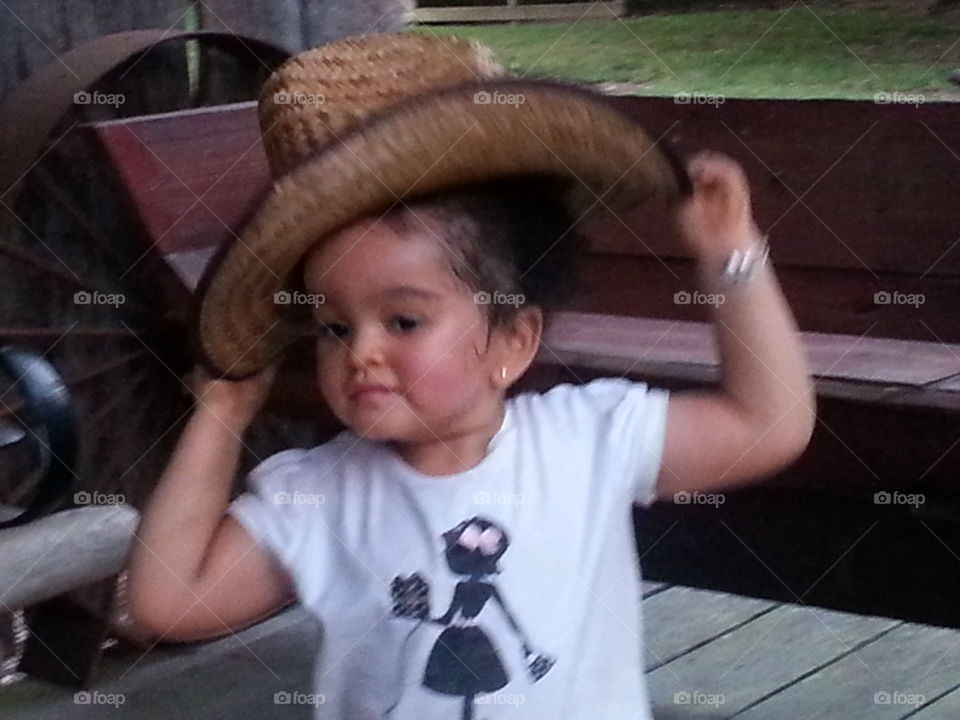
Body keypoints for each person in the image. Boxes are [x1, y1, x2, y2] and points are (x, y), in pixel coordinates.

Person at [126, 32, 815, 720]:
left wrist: (732, 263)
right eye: (336, 326)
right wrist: (222, 413)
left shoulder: (589, 441)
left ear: (512, 340)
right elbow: (169, 602)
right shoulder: (321, 498)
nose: (360, 351)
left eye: (403, 322)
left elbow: (768, 425)